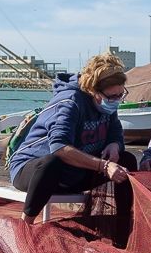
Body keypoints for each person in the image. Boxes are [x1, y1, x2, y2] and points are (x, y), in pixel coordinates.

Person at [7, 53, 138, 230]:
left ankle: (123, 229)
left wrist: (114, 145)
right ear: (94, 91)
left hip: (75, 173)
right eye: (112, 97)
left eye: (120, 95)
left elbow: (115, 131)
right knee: (51, 163)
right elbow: (59, 147)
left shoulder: (107, 103)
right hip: (33, 172)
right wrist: (104, 166)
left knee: (126, 160)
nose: (116, 101)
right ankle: (24, 227)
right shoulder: (70, 102)